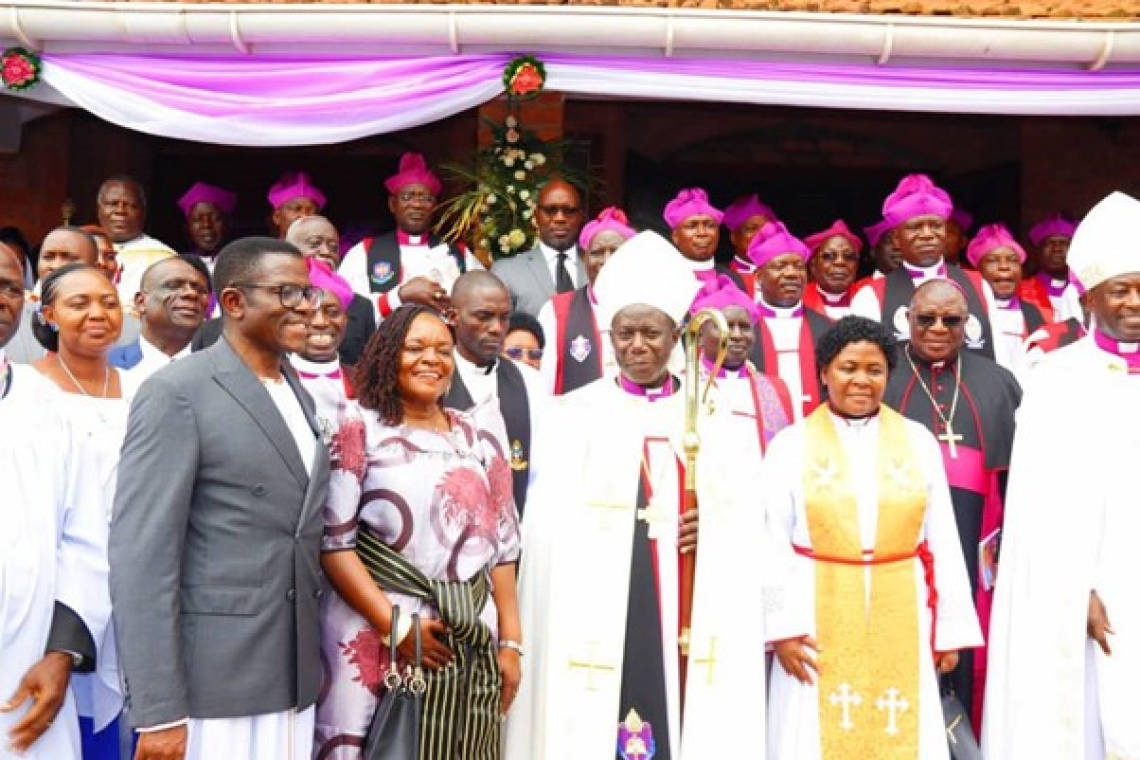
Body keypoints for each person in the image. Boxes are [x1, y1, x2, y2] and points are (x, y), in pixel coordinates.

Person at [506, 231, 769, 760]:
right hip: (599, 596)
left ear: (676, 336)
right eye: (625, 333)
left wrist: (712, 522)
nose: (637, 346)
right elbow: (545, 529)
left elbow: (748, 513)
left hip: (686, 589)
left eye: (651, 333)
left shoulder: (714, 415)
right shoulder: (573, 414)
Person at [110, 237, 328, 760]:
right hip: (211, 689)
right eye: (289, 293)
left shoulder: (299, 391)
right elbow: (142, 556)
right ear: (234, 303)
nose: (307, 307)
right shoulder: (178, 391)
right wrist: (160, 709)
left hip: (290, 676)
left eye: (309, 292)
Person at [763, 315, 983, 760]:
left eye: (874, 370)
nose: (861, 380)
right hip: (814, 610)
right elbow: (769, 539)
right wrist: (782, 629)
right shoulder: (791, 444)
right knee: (812, 728)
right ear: (824, 373)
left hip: (902, 600)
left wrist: (950, 628)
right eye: (848, 368)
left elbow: (941, 536)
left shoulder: (917, 441)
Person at [313, 304, 522, 760]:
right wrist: (396, 627)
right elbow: (335, 544)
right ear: (388, 355)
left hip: (464, 631)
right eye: (415, 347)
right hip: (376, 624)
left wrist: (510, 642)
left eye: (443, 350)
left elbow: (504, 549)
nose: (432, 358)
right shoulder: (357, 425)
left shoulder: (478, 433)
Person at [983, 191, 1140, 760]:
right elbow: (1036, 508)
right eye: (1120, 290)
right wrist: (1072, 592)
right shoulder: (1056, 380)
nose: (1134, 303)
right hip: (1081, 593)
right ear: (1091, 297)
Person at [882, 279, 1021, 730]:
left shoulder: (998, 381)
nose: (939, 328)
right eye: (926, 319)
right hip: (902, 543)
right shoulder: (883, 375)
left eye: (951, 320)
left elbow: (1021, 474)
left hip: (978, 537)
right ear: (908, 321)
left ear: (967, 324)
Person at [0, 245, 112, 760]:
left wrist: (62, 652)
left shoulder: (47, 403)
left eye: (6, 286)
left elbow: (86, 537)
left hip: (26, 666)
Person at [29, 262, 131, 758]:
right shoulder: (28, 394)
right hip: (49, 584)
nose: (98, 313)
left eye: (109, 302)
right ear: (48, 314)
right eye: (78, 303)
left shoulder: (145, 389)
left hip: (127, 577)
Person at [851, 174, 998, 360]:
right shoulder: (871, 295)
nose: (927, 234)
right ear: (896, 238)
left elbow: (999, 357)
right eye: (916, 227)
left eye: (935, 225)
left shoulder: (979, 285)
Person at [443, 270, 545, 518]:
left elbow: (542, 467)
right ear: (452, 316)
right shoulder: (434, 377)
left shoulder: (529, 381)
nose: (496, 328)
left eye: (504, 318)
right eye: (484, 317)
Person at [340, 152, 479, 319]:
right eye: (407, 197)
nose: (417, 204)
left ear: (434, 206)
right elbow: (348, 310)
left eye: (426, 198)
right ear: (393, 204)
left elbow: (481, 304)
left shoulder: (459, 254)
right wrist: (399, 296)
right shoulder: (364, 252)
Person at [690, 275, 794, 461]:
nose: (737, 335)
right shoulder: (683, 388)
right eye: (726, 326)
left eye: (745, 327)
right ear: (699, 337)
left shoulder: (776, 390)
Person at [536, 205, 634, 395]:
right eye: (597, 252)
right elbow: (542, 385)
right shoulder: (556, 311)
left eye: (615, 251)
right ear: (584, 257)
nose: (606, 261)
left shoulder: (652, 309)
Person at [746, 221, 832, 420]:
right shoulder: (742, 331)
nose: (792, 274)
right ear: (758, 277)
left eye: (798, 266)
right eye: (780, 266)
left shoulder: (828, 328)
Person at [286, 214, 376, 368]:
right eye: (315, 244)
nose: (326, 251)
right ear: (290, 251)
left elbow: (370, 366)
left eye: (333, 247)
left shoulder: (362, 306)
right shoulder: (279, 299)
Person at [107, 255, 211, 386]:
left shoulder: (225, 367)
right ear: (141, 302)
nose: (191, 293)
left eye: (201, 290)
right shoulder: (104, 366)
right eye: (174, 285)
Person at [492, 178, 586, 317]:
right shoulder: (506, 272)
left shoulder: (600, 267)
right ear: (536, 216)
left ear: (581, 216)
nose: (560, 218)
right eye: (550, 210)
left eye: (569, 211)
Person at [8, 226, 100, 364]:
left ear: (95, 267)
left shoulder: (120, 326)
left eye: (68, 257)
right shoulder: (10, 318)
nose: (55, 265)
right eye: (48, 257)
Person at [966, 224, 1049, 372]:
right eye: (992, 260)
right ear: (977, 270)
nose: (1004, 266)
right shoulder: (966, 314)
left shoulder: (1039, 314)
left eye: (1012, 260)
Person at [289, 256, 356, 435]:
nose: (320, 322)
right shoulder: (275, 381)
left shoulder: (366, 383)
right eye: (308, 313)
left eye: (333, 312)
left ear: (346, 319)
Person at [95, 176, 177, 304]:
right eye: (113, 204)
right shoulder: (82, 250)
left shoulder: (164, 258)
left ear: (143, 212)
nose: (120, 211)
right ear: (99, 209)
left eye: (130, 205)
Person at [662, 187, 745, 290]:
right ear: (675, 236)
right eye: (691, 226)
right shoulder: (662, 279)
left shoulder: (733, 280)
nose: (702, 233)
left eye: (709, 225)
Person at [1021, 212, 1082, 322]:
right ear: (1038, 251)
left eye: (1064, 243)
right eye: (1050, 243)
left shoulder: (1085, 291)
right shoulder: (1021, 290)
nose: (1057, 249)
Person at [803, 219, 862, 320]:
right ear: (813, 265)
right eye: (828, 256)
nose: (840, 262)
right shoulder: (797, 301)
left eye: (848, 256)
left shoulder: (869, 298)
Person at [177, 182, 236, 268]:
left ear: (228, 223)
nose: (206, 224)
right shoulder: (179, 266)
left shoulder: (243, 264)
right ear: (186, 227)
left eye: (215, 218)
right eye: (197, 219)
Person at [723, 193, 777, 284]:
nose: (761, 235)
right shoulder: (719, 275)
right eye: (751, 228)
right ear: (733, 238)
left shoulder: (783, 276)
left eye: (766, 229)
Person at [267, 170, 325, 238]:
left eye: (310, 210)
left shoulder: (324, 248)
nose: (304, 215)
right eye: (297, 209)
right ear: (277, 217)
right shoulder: (262, 248)